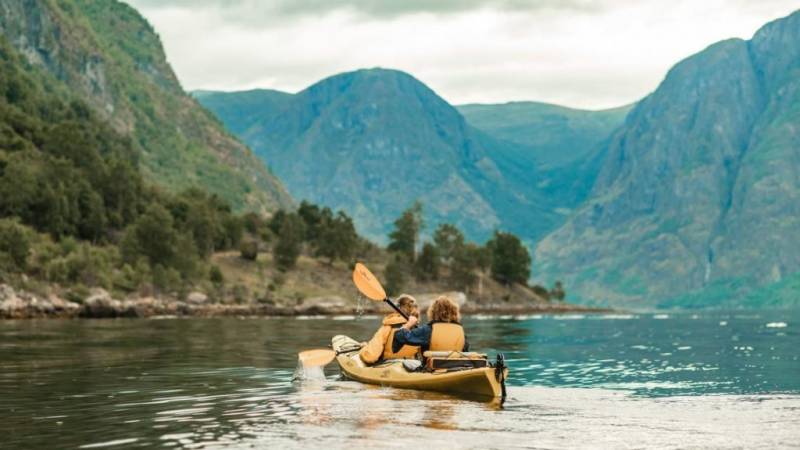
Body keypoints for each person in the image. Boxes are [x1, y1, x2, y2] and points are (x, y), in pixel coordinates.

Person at [392, 295, 469, 354]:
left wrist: (408, 324)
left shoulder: (428, 330)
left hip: (433, 369)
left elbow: (400, 336)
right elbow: (465, 350)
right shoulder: (460, 331)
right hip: (457, 367)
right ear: (454, 312)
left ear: (433, 312)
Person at [359, 294, 421, 364]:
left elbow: (370, 357)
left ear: (397, 308)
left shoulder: (388, 327)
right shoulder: (420, 330)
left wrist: (364, 349)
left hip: (389, 367)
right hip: (412, 366)